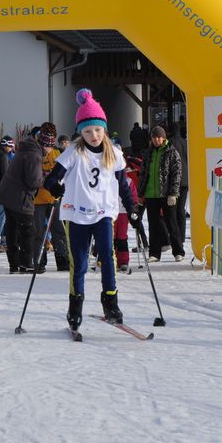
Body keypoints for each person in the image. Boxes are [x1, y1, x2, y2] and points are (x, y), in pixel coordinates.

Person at [44, 89, 137, 329]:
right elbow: (51, 179)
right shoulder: (74, 152)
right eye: (87, 131)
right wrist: (55, 188)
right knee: (79, 263)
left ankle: (111, 303)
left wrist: (132, 209)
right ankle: (75, 307)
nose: (93, 135)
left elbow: (123, 186)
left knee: (107, 255)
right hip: (76, 214)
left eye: (97, 130)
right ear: (80, 132)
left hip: (103, 213)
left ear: (104, 128)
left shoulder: (114, 153)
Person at [0, 126, 47, 274]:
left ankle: (14, 263)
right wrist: (46, 179)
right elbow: (33, 181)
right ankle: (26, 263)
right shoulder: (34, 154)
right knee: (28, 231)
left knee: (12, 230)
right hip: (20, 198)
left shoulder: (24, 149)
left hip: (8, 195)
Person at [138, 125, 183, 262]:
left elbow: (176, 174)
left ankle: (178, 251)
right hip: (151, 195)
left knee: (171, 223)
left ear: (164, 138)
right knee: (153, 225)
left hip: (166, 194)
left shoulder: (171, 152)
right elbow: (143, 174)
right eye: (154, 137)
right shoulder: (148, 153)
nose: (156, 140)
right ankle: (154, 253)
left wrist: (173, 193)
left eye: (159, 137)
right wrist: (140, 193)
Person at [31, 122, 67, 271]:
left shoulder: (57, 154)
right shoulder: (35, 153)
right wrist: (48, 177)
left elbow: (63, 172)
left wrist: (60, 183)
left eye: (51, 144)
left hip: (54, 199)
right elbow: (34, 175)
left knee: (59, 231)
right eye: (47, 144)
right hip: (37, 200)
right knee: (38, 232)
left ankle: (63, 259)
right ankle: (39, 261)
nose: (49, 148)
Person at [168, 122, 190, 249]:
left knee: (172, 211)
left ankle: (174, 236)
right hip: (185, 181)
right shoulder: (185, 143)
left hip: (173, 180)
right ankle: (182, 236)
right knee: (181, 210)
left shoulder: (169, 143)